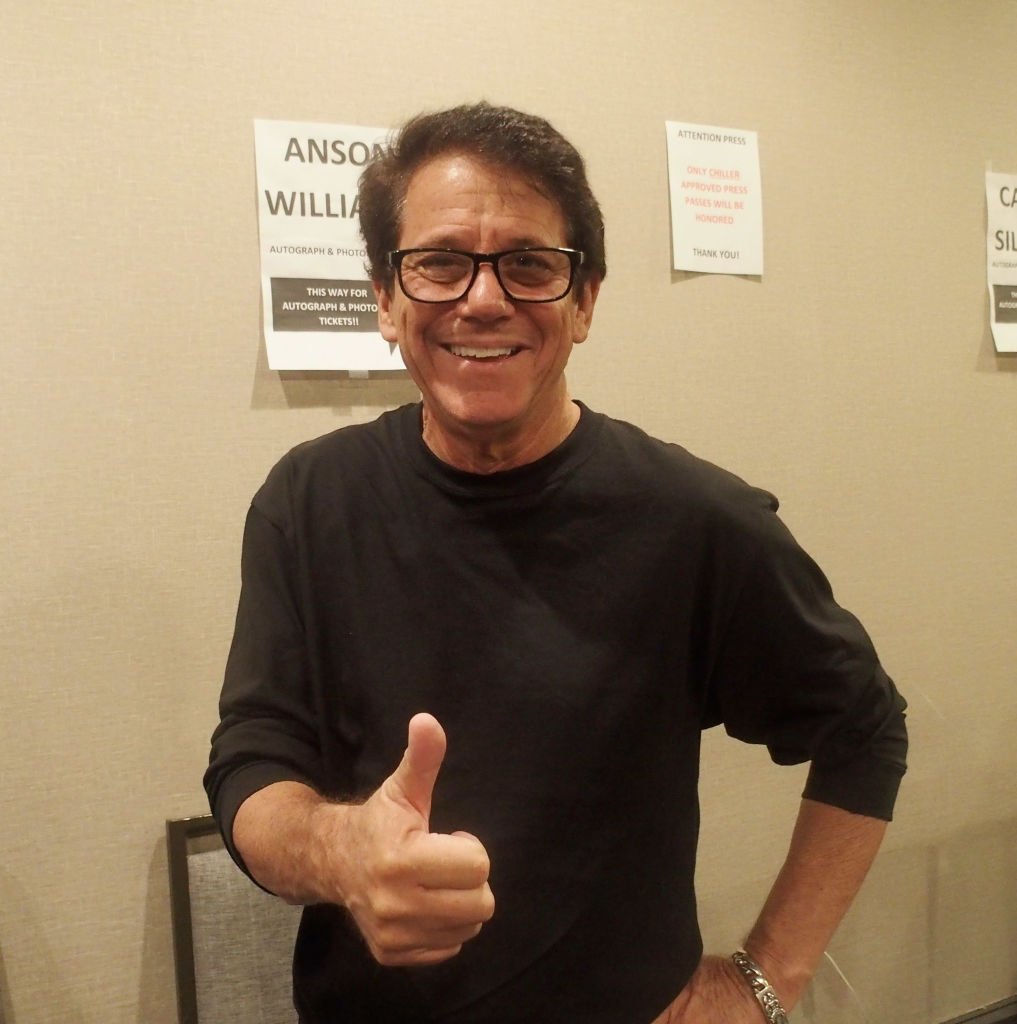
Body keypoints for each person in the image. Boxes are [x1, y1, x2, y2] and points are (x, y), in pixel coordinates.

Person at [205, 101, 907, 1024]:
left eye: (530, 264)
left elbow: (863, 730)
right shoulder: (308, 502)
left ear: (583, 303)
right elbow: (251, 760)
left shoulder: (696, 523)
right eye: (440, 262)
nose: (483, 298)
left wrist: (763, 983)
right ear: (385, 298)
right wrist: (343, 852)